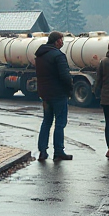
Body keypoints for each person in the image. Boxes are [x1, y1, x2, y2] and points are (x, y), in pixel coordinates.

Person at [35, 31, 74, 162]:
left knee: (46, 122)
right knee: (60, 123)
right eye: (61, 40)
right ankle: (58, 151)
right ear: (57, 41)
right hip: (58, 94)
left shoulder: (40, 56)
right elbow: (65, 76)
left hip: (45, 94)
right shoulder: (58, 56)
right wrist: (70, 90)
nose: (62, 42)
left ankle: (42, 151)